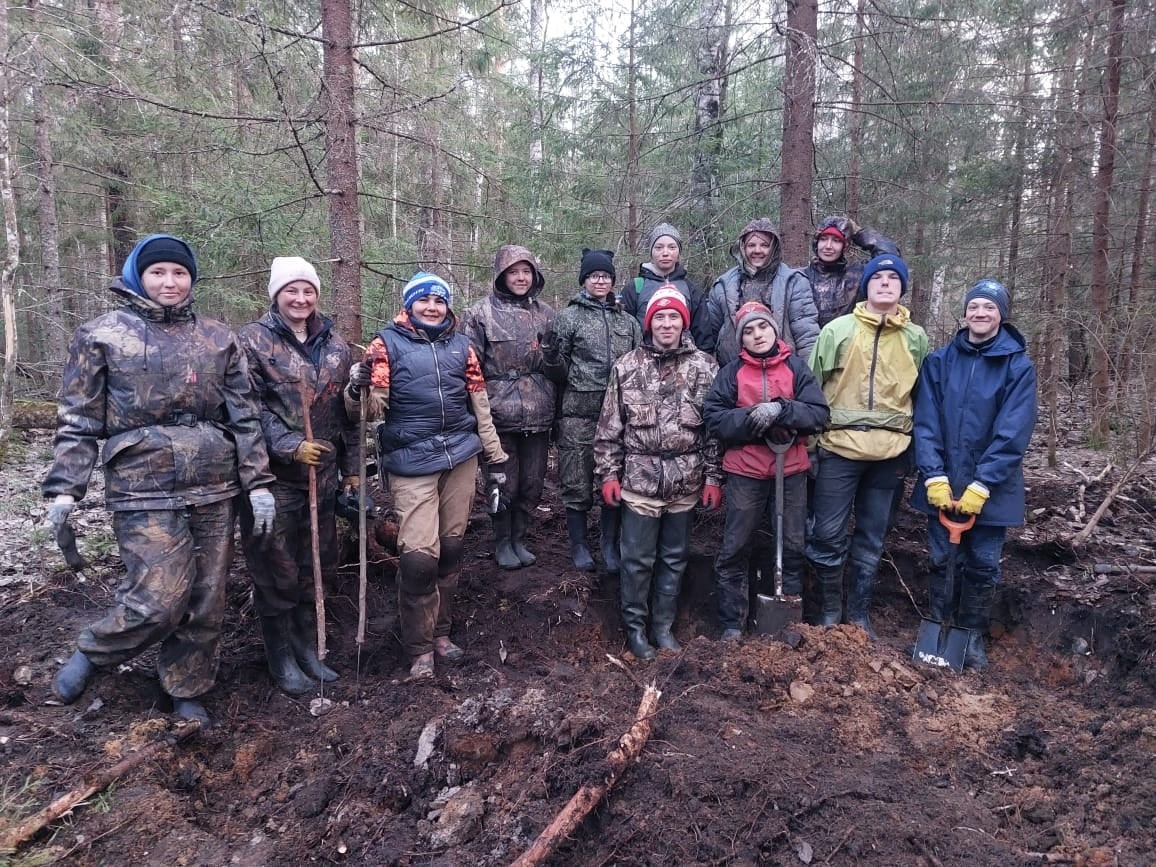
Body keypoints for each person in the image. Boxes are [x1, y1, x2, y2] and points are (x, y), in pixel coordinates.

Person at [44, 234, 277, 725]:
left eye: (179, 273)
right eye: (158, 273)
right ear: (137, 276)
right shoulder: (102, 334)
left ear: (191, 279)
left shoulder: (217, 337)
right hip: (141, 483)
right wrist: (66, 488)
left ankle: (187, 686)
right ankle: (94, 652)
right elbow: (79, 418)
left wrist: (258, 483)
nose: (169, 282)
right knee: (158, 598)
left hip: (215, 483)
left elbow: (245, 416)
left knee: (207, 597)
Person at [346, 272, 507, 681]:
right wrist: (356, 388)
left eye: (439, 300)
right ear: (410, 304)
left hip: (461, 459)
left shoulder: (463, 347)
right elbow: (369, 413)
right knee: (419, 559)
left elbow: (480, 407)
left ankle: (441, 634)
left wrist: (496, 457)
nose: (432, 307)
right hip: (411, 462)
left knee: (451, 551)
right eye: (424, 300)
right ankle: (418, 648)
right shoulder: (386, 345)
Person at [237, 257, 358, 694]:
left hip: (322, 481)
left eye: (308, 291)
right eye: (292, 290)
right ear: (276, 294)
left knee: (316, 568)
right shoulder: (251, 343)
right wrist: (289, 446)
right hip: (273, 481)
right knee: (276, 571)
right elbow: (246, 412)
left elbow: (349, 416)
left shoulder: (336, 346)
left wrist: (351, 473)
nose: (301, 299)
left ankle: (308, 647)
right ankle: (281, 656)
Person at [911, 280, 1037, 669]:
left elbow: (1013, 430)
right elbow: (926, 421)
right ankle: (938, 626)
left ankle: (971, 635)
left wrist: (982, 484)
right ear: (964, 313)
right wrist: (933, 475)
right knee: (940, 558)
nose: (980, 314)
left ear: (1001, 314)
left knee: (983, 564)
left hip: (993, 488)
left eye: (990, 308)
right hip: (943, 482)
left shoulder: (1017, 366)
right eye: (974, 306)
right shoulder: (939, 361)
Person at [594, 286, 722, 660]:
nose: (667, 323)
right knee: (637, 561)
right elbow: (608, 427)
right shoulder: (626, 366)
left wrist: (714, 478)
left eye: (674, 316)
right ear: (649, 323)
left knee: (674, 557)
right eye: (660, 317)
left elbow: (714, 431)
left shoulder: (706, 367)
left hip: (686, 480)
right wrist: (608, 474)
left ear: (684, 321)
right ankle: (635, 630)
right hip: (639, 480)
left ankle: (663, 628)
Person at [805, 254, 929, 638]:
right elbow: (810, 389)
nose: (886, 283)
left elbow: (922, 395)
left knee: (873, 537)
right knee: (826, 534)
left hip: (890, 454)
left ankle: (858, 615)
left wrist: (914, 451)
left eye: (894, 279)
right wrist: (809, 447)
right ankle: (828, 611)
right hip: (838, 447)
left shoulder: (916, 338)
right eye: (879, 278)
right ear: (867, 285)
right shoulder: (837, 331)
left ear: (902, 288)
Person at [704, 302, 829, 639]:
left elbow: (819, 414)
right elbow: (714, 418)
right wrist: (750, 418)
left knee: (792, 545)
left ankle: (787, 624)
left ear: (775, 330)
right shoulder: (731, 373)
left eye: (763, 328)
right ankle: (732, 623)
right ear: (741, 338)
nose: (757, 335)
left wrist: (781, 410)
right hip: (744, 471)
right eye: (749, 330)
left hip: (790, 471)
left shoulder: (796, 369)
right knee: (735, 547)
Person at [542, 249, 643, 573]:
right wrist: (552, 358)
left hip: (619, 417)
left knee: (613, 480)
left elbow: (639, 363)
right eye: (593, 276)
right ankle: (580, 546)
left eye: (605, 276)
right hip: (578, 414)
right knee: (576, 483)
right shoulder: (568, 317)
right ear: (584, 280)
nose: (600, 280)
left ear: (612, 281)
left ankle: (609, 546)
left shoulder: (626, 321)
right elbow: (556, 373)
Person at [462, 246, 555, 570]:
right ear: (502, 274)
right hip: (497, 414)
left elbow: (556, 361)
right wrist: (474, 415)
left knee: (532, 483)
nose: (520, 277)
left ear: (535, 276)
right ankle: (502, 540)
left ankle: (519, 538)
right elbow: (469, 367)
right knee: (504, 483)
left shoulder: (546, 313)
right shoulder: (479, 314)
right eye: (514, 271)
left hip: (539, 412)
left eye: (526, 271)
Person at [707, 217, 819, 368]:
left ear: (773, 248)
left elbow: (806, 335)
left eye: (764, 245)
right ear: (742, 248)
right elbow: (709, 336)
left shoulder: (794, 282)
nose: (757, 250)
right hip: (733, 375)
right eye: (751, 245)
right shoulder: (723, 285)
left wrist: (808, 379)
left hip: (783, 374)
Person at [622, 222, 713, 351]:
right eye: (659, 247)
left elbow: (704, 337)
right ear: (651, 252)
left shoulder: (691, 289)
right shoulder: (635, 287)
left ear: (679, 252)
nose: (665, 253)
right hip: (643, 363)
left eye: (671, 247)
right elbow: (624, 333)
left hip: (685, 363)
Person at [803, 215, 900, 327]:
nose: (828, 246)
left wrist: (858, 233)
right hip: (807, 343)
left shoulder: (857, 276)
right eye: (823, 239)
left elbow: (889, 258)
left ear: (845, 246)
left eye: (836, 240)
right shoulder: (801, 277)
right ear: (816, 243)